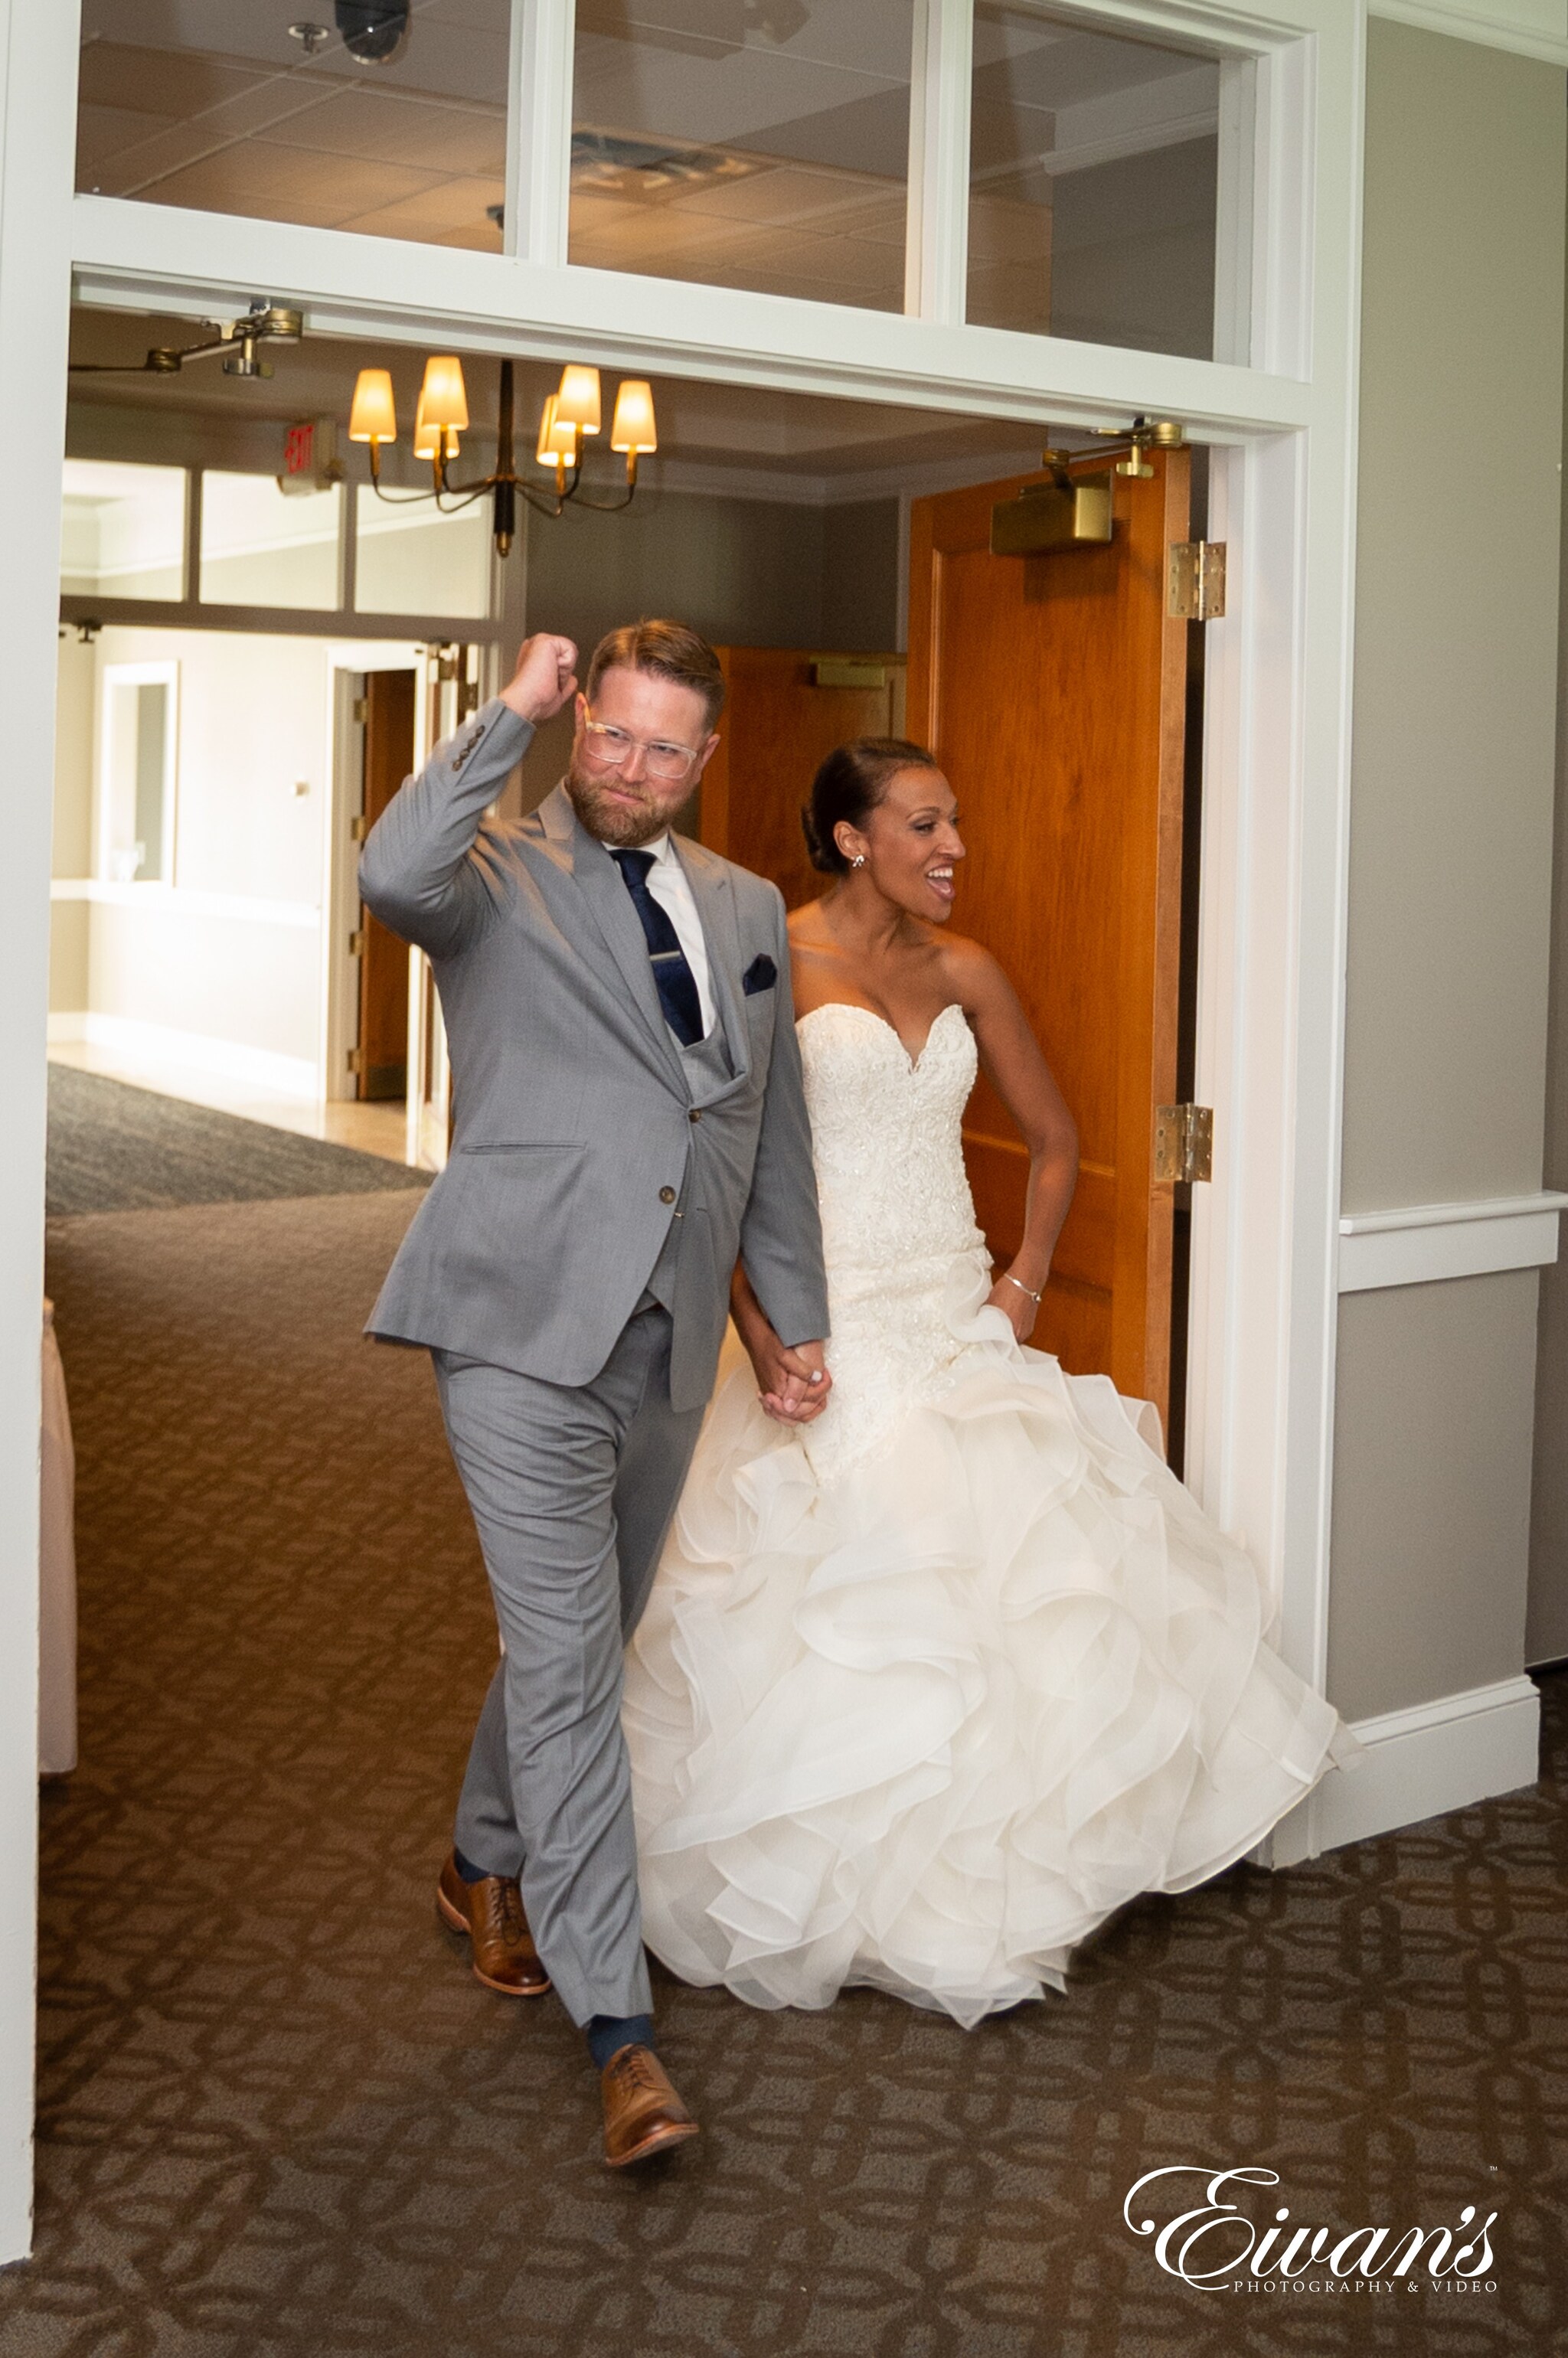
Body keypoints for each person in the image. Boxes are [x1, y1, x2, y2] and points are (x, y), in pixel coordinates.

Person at [622, 736, 1362, 2027]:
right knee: (849, 1600)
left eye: (956, 821)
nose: (955, 846)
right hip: (828, 1322)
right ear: (853, 838)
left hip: (956, 1314)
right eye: (925, 824)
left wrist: (1019, 1283)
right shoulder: (774, 958)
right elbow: (724, 1175)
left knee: (1022, 1577)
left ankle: (997, 1882)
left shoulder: (969, 969)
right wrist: (762, 1323)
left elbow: (1059, 1138)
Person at [358, 621, 831, 2165]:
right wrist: (506, 711)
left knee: (587, 1623)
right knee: (569, 1664)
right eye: (609, 734)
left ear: (704, 759)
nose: (630, 768)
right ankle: (619, 2034)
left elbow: (760, 1136)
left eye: (663, 746)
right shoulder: (489, 871)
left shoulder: (749, 904)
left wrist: (786, 1321)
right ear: (581, 727)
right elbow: (387, 872)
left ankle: (478, 1857)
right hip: (510, 1319)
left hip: (671, 1328)